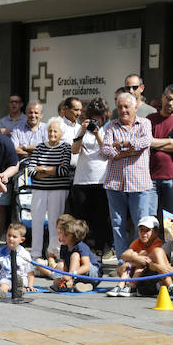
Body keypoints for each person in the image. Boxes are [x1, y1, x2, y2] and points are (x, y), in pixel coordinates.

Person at [101, 91, 155, 261]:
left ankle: (139, 261)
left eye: (126, 106)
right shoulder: (111, 126)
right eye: (120, 107)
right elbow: (107, 150)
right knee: (117, 225)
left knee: (142, 224)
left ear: (135, 107)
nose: (123, 110)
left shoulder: (145, 123)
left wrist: (122, 145)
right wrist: (131, 150)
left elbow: (145, 142)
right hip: (115, 183)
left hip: (139, 183)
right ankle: (123, 262)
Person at [27, 118, 74, 262]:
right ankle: (36, 254)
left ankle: (55, 254)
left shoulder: (66, 147)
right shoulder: (40, 147)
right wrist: (52, 170)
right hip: (39, 190)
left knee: (56, 223)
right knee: (37, 221)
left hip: (58, 190)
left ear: (61, 133)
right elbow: (30, 170)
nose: (52, 133)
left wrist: (42, 169)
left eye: (55, 131)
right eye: (50, 131)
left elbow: (64, 170)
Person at [70, 97, 111, 255]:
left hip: (101, 179)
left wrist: (97, 134)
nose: (95, 120)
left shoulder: (107, 130)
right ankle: (82, 248)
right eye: (92, 116)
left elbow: (107, 153)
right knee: (81, 218)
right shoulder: (81, 129)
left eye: (98, 116)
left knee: (100, 218)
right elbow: (74, 150)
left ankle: (99, 249)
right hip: (81, 180)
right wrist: (82, 130)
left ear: (104, 117)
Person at [148, 85, 173, 216]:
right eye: (168, 99)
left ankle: (170, 238)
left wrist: (156, 144)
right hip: (150, 176)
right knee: (149, 217)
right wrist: (170, 141)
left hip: (172, 177)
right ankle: (151, 238)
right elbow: (147, 142)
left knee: (171, 218)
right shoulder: (150, 119)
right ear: (162, 97)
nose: (170, 103)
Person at [106, 215, 162, 297]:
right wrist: (134, 258)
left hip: (150, 273)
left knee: (142, 254)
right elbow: (124, 255)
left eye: (147, 231)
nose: (144, 234)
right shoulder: (138, 242)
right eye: (141, 230)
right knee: (133, 257)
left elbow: (147, 261)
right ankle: (120, 286)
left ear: (155, 232)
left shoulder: (157, 243)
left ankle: (132, 286)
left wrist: (131, 263)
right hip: (137, 272)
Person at [49, 216, 99, 293]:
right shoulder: (64, 247)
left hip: (93, 275)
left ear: (75, 236)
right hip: (77, 275)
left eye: (66, 235)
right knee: (56, 282)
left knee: (75, 255)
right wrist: (62, 278)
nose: (62, 237)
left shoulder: (81, 247)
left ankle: (71, 282)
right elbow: (65, 266)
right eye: (62, 233)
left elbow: (86, 267)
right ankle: (86, 286)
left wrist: (71, 274)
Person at [0, 222, 36, 298]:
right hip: (6, 278)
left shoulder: (25, 254)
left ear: (22, 240)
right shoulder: (0, 251)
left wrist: (30, 285)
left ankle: (19, 292)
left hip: (20, 279)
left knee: (22, 287)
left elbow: (30, 272)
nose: (11, 238)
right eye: (9, 235)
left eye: (14, 237)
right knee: (4, 286)